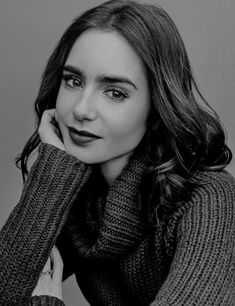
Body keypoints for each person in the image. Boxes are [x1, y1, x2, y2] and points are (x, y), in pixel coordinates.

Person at [0, 0, 235, 305]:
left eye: (115, 92)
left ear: (156, 111)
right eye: (73, 80)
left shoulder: (210, 202)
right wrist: (49, 179)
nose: (81, 110)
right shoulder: (78, 195)